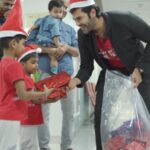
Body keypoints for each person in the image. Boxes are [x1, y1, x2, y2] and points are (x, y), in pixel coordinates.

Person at [68, 0, 150, 149]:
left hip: (137, 70)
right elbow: (86, 66)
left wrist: (140, 68)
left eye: (79, 18)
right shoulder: (83, 35)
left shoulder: (124, 19)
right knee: (100, 116)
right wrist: (76, 80)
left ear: (93, 12)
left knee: (146, 113)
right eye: (75, 19)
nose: (77, 23)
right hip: (111, 73)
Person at [0, 0, 54, 149]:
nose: (24, 47)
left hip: (2, 115)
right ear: (13, 44)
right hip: (10, 116)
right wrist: (43, 93)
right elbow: (23, 95)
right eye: (23, 44)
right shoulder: (15, 65)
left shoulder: (2, 63)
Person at [37, 1, 79, 150]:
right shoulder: (41, 25)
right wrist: (51, 51)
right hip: (45, 72)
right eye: (57, 10)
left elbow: (77, 52)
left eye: (63, 10)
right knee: (43, 113)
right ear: (50, 11)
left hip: (66, 75)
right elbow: (33, 47)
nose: (60, 13)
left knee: (69, 114)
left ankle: (66, 146)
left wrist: (66, 47)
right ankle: (44, 147)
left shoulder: (71, 29)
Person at [17, 44, 46, 150]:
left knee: (31, 143)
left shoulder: (29, 78)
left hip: (31, 118)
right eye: (33, 62)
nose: (36, 65)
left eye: (37, 62)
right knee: (28, 144)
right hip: (28, 118)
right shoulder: (25, 79)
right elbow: (33, 98)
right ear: (22, 64)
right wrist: (47, 95)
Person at [27, 0, 64, 74]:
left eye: (60, 12)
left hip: (40, 41)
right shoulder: (54, 22)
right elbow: (55, 36)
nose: (58, 14)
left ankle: (36, 70)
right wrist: (58, 45)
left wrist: (30, 29)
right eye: (56, 12)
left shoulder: (44, 18)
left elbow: (36, 25)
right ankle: (54, 71)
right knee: (53, 58)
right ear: (50, 11)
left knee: (36, 57)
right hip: (49, 43)